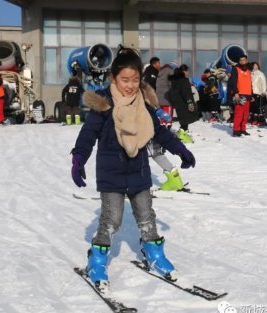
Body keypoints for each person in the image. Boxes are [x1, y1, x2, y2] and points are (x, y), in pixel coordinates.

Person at [71, 47, 196, 292]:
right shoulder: (103, 104)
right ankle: (96, 261)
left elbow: (159, 132)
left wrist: (180, 149)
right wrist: (78, 158)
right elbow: (88, 134)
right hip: (111, 173)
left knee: (146, 216)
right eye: (124, 80)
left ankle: (154, 254)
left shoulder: (144, 104)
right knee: (111, 220)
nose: (130, 86)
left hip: (138, 171)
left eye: (135, 80)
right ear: (114, 78)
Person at [168, 64, 199, 143]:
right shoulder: (184, 80)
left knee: (184, 120)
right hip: (184, 103)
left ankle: (183, 134)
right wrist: (190, 103)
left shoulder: (175, 80)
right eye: (187, 71)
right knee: (186, 119)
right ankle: (182, 136)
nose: (187, 73)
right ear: (184, 71)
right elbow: (186, 93)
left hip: (178, 103)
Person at [228, 54, 253, 137]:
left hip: (248, 94)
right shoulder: (235, 69)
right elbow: (233, 82)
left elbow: (250, 83)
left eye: (244, 60)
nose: (242, 61)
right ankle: (236, 130)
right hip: (240, 94)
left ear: (246, 61)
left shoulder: (249, 70)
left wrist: (251, 95)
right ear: (239, 61)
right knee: (239, 113)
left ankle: (243, 129)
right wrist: (236, 93)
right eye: (241, 60)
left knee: (246, 114)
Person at [155, 61, 179, 127]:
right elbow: (172, 84)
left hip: (158, 98)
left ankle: (162, 131)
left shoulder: (160, 71)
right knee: (168, 118)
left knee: (162, 116)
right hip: (167, 98)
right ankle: (167, 131)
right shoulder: (170, 71)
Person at [249, 62, 267, 126]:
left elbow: (263, 83)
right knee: (253, 107)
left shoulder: (260, 73)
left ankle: (261, 120)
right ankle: (254, 119)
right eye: (254, 66)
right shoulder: (250, 73)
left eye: (256, 65)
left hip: (258, 92)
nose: (255, 67)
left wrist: (263, 91)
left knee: (259, 107)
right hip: (252, 92)